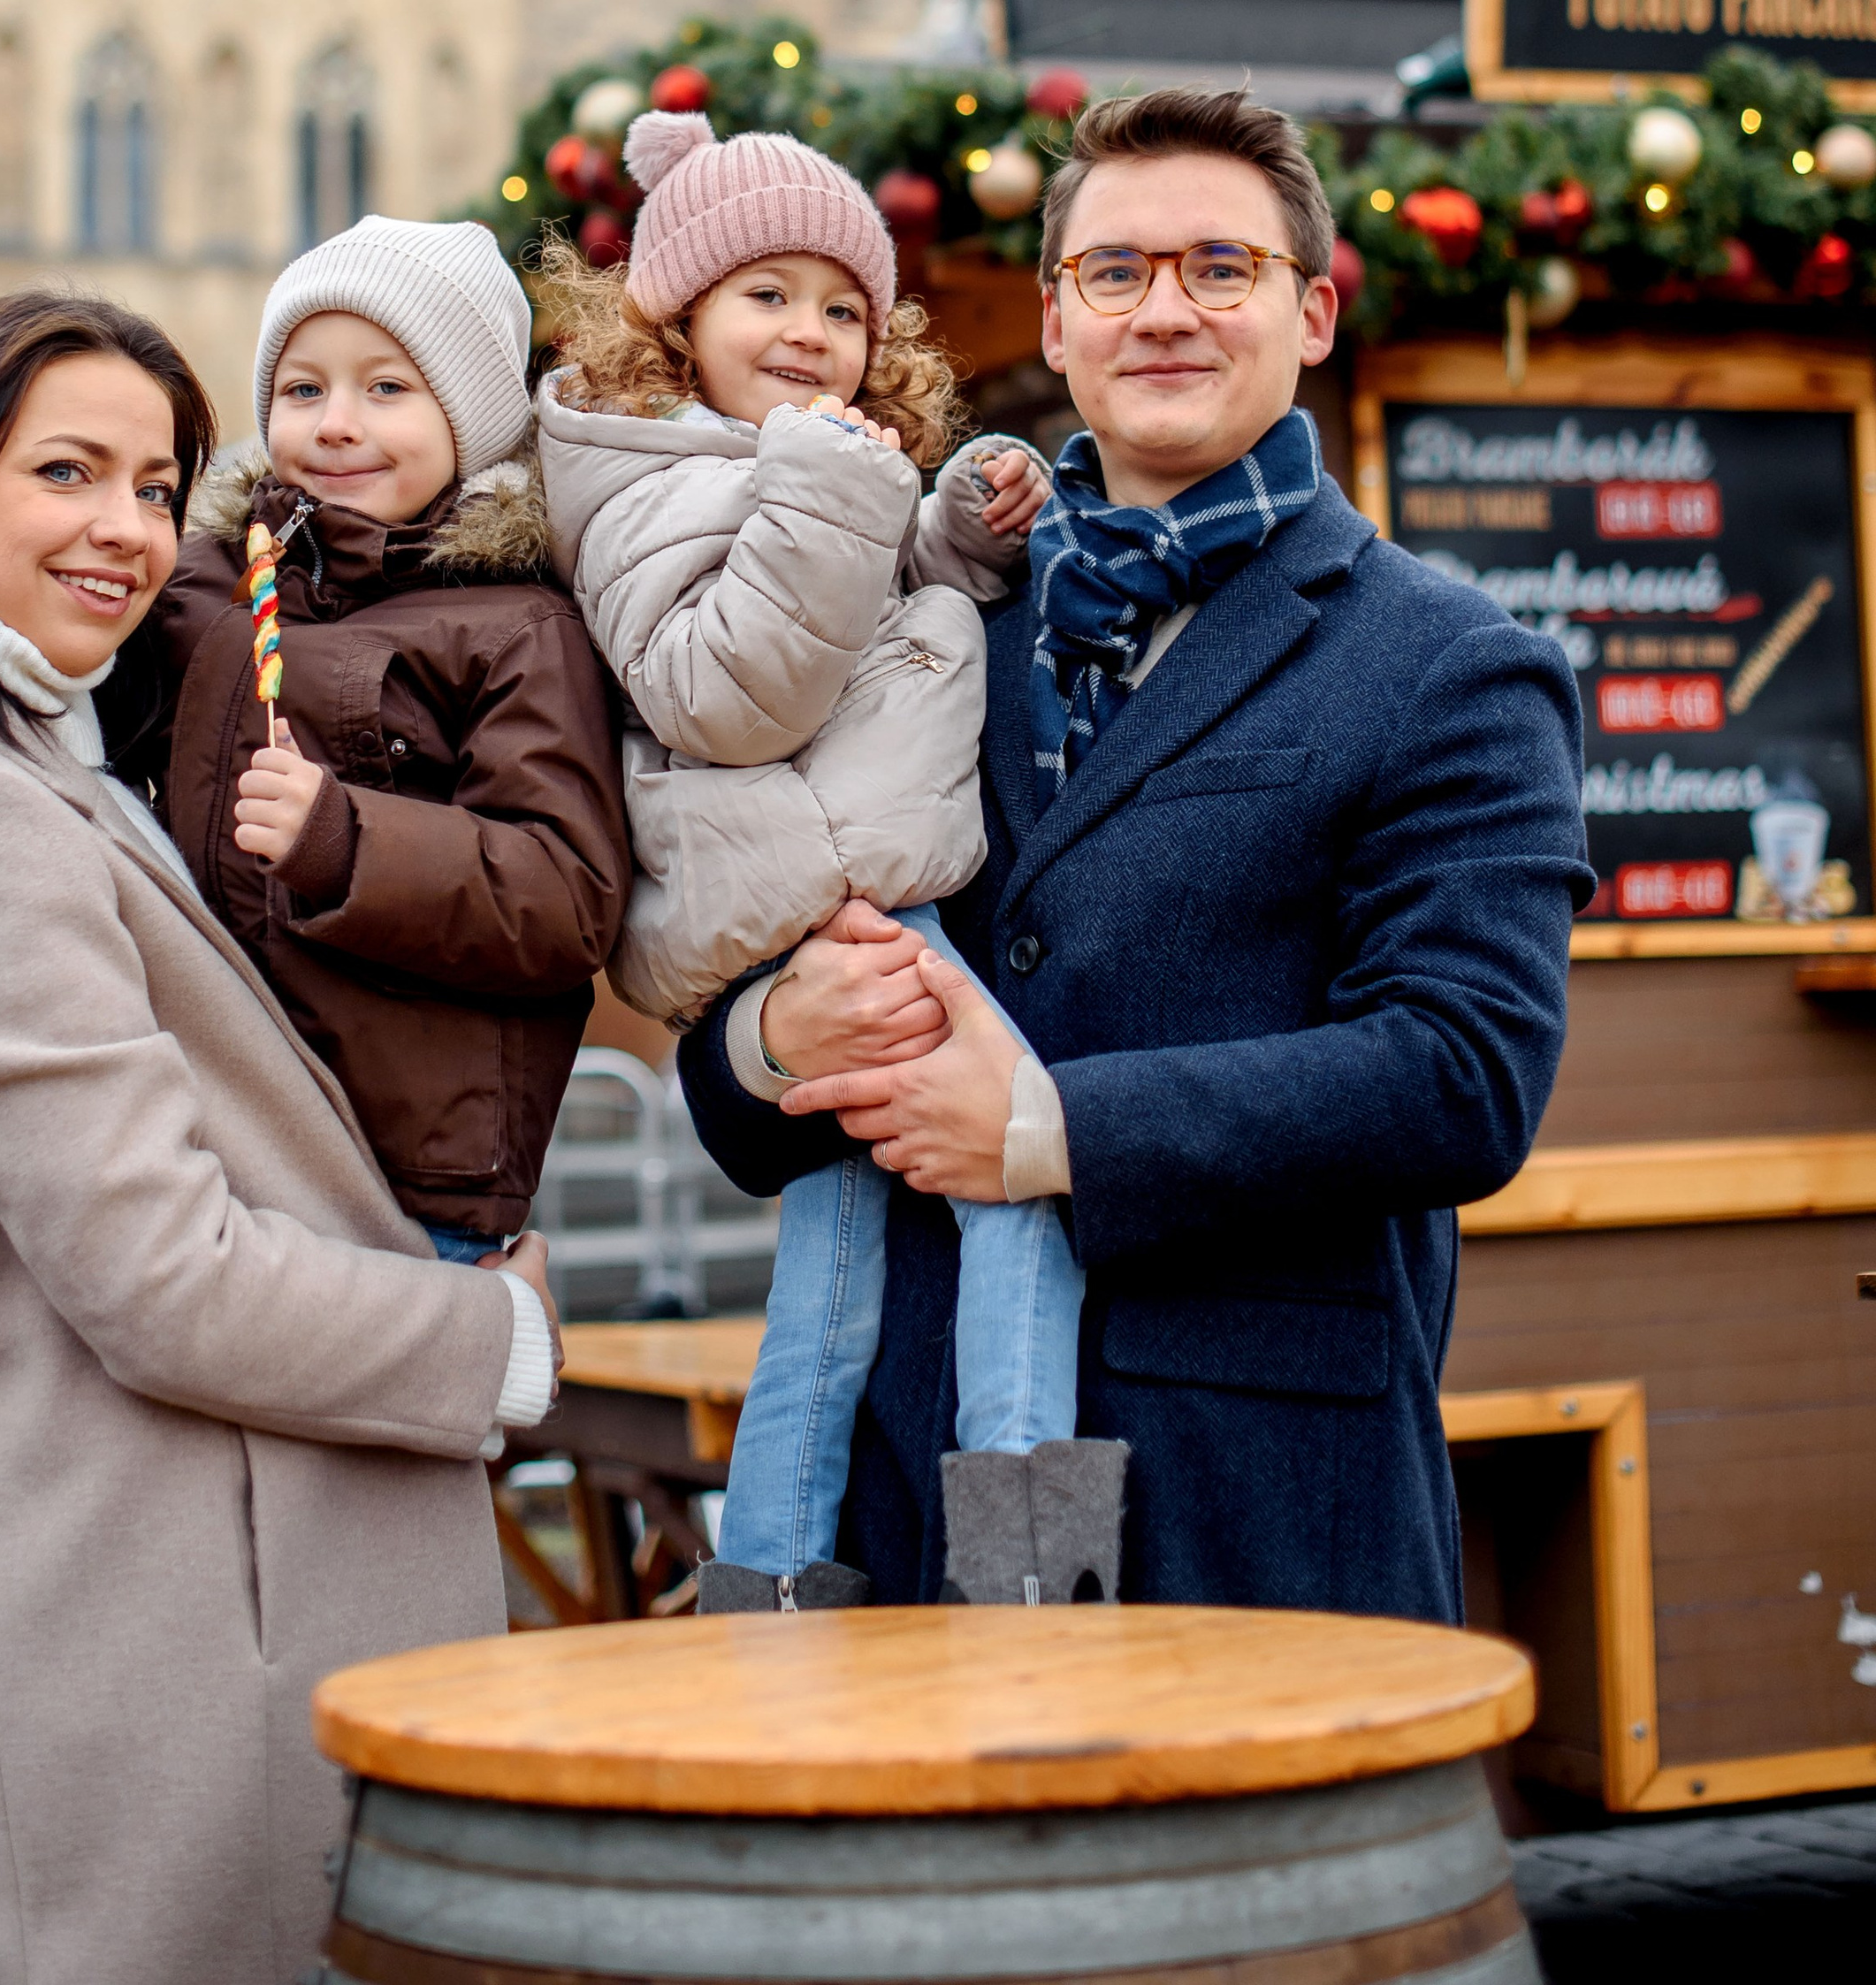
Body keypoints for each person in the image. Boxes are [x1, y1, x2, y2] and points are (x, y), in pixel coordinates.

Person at [0, 292, 563, 1985]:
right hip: (152, 1642)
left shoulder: (22, 758)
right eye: (68, 472)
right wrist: (497, 1339)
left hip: (160, 1618)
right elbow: (160, 1276)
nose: (122, 526)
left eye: (157, 482)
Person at [678, 88, 1591, 1618]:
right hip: (909, 1514)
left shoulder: (1453, 664)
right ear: (1054, 323)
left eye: (1217, 270)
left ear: (1310, 314)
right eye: (1117, 273)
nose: (1163, 311)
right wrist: (773, 1038)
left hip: (1258, 1524)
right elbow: (737, 1085)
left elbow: (1462, 1075)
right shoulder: (919, 618)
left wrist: (1047, 1131)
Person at [537, 110, 1121, 1617]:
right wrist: (843, 490)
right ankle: (1031, 1576)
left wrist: (961, 530)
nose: (809, 333)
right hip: (835, 888)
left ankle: (775, 1570)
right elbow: (736, 688)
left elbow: (852, 606)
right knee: (1017, 1194)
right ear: (675, 315)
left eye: (843, 307)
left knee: (838, 1265)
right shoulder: (642, 473)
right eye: (766, 296)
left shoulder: (774, 463)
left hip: (834, 882)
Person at [155, 215, 631, 1256]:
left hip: (405, 1171)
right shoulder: (209, 586)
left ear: (467, 417)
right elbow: (39, 655)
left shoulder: (514, 624)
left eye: (386, 388)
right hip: (217, 1138)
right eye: (302, 388)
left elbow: (564, 897)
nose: (335, 422)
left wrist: (344, 839)